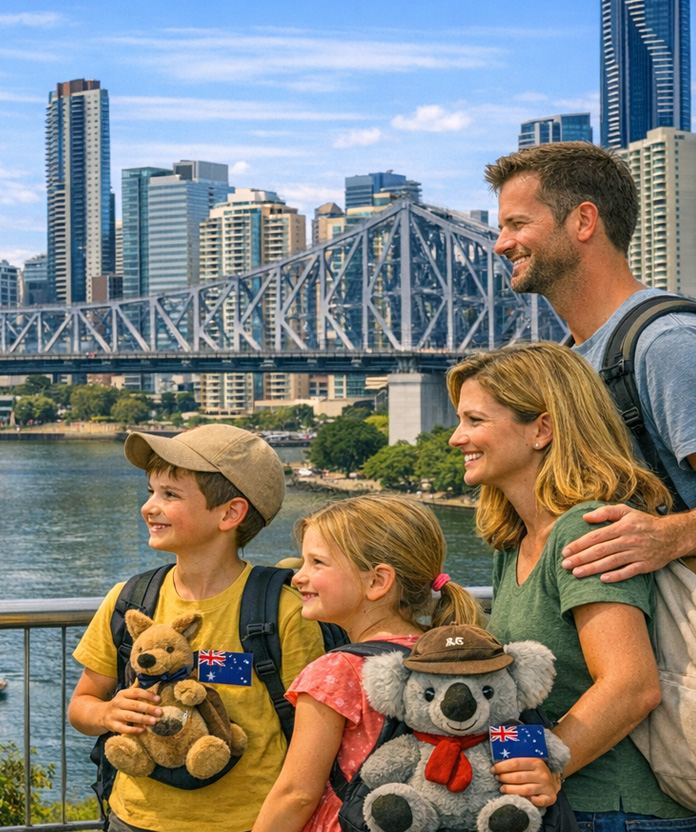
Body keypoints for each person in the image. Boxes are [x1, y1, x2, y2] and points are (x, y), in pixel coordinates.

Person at [447, 341, 696, 829]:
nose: (457, 438)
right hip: (565, 808)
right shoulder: (513, 542)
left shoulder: (583, 529)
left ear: (542, 429)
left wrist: (548, 765)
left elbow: (631, 686)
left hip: (618, 812)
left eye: (475, 421)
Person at [68, 424, 324, 832]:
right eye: (151, 491)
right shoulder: (130, 599)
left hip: (247, 821)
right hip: (133, 818)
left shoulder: (282, 612)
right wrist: (107, 713)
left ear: (230, 513)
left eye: (170, 495)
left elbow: (311, 749)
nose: (149, 507)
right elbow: (82, 705)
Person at [253, 494, 533, 832]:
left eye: (317, 563)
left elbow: (297, 794)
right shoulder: (457, 660)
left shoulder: (335, 672)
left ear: (377, 581)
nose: (298, 576)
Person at [485, 141, 696, 582]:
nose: (501, 244)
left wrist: (670, 535)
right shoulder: (566, 360)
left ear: (583, 220)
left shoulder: (665, 343)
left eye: (517, 224)